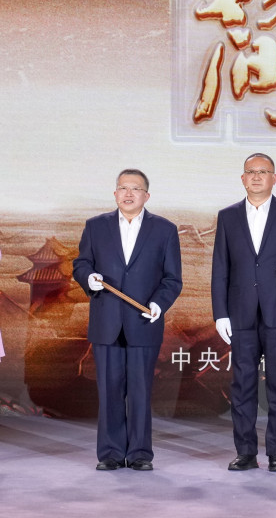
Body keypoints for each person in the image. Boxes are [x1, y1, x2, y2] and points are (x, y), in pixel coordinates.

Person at [73, 169, 182, 471]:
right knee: (109, 390)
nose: (128, 193)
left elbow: (172, 279)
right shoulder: (96, 226)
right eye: (123, 188)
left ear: (147, 195)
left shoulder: (164, 230)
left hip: (143, 322)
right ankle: (109, 452)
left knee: (140, 392)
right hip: (106, 322)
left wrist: (158, 304)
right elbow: (81, 263)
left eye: (135, 188)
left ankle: (140, 453)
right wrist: (89, 278)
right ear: (115, 193)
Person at [212, 153, 276, 472]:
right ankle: (245, 452)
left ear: (274, 178)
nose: (257, 176)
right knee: (242, 384)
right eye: (251, 172)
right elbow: (220, 267)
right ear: (243, 178)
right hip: (240, 312)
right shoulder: (228, 216)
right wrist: (220, 313)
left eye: (263, 171)